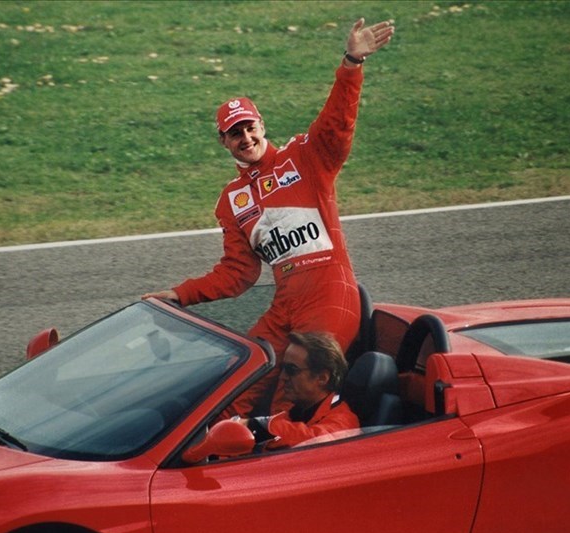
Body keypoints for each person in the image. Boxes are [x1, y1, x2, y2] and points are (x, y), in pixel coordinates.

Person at [143, 18, 394, 417]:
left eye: (250, 127)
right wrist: (180, 295)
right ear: (223, 142)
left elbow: (336, 125)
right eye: (235, 133)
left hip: (329, 296)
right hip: (285, 306)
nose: (246, 139)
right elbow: (237, 273)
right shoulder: (231, 199)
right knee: (236, 384)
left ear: (262, 125)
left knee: (287, 398)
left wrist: (350, 65)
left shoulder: (305, 157)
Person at [235, 331, 359, 451]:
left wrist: (254, 426)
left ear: (322, 378)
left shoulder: (343, 422)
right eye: (282, 368)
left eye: (291, 370)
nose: (282, 377)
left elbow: (314, 440)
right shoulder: (296, 413)